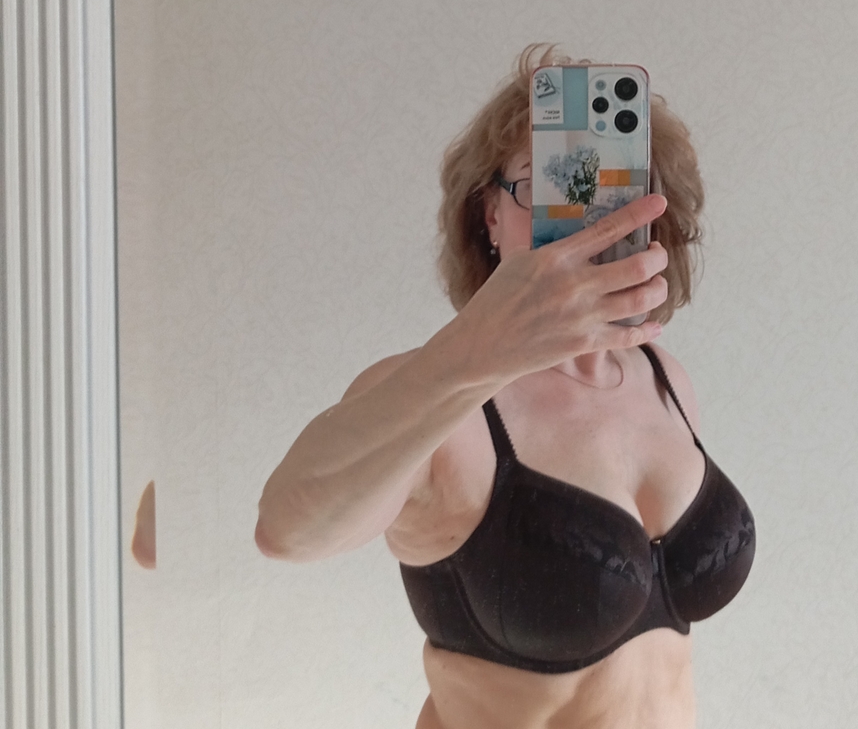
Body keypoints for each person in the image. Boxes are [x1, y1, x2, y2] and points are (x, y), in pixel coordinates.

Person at [255, 44, 755, 729]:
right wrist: (473, 354)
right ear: (489, 214)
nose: (582, 211)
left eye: (607, 186)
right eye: (549, 183)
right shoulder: (446, 403)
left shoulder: (664, 379)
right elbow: (287, 532)